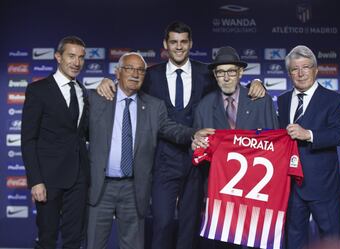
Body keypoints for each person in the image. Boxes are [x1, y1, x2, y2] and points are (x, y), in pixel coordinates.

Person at [96, 21, 265, 249]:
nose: (178, 47)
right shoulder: (151, 75)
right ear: (165, 44)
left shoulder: (206, 73)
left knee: (190, 226)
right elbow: (128, 87)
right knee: (162, 224)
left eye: (183, 42)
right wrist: (108, 82)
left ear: (190, 44)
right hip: (163, 161)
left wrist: (255, 83)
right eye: (173, 42)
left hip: (197, 162)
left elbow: (230, 82)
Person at [86, 52, 213, 249]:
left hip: (133, 189)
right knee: (94, 244)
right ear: (117, 72)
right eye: (129, 69)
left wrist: (194, 134)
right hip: (101, 187)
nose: (135, 74)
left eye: (140, 70)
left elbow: (172, 129)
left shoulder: (154, 107)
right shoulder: (96, 99)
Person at [191, 46, 279, 249]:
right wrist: (196, 146)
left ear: (240, 73)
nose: (227, 77)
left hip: (256, 192)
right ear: (215, 75)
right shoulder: (204, 106)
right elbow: (195, 151)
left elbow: (274, 145)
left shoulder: (260, 100)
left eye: (231, 71)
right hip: (221, 195)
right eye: (221, 72)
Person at [277, 45, 340, 249]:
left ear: (315, 70)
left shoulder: (334, 100)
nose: (300, 73)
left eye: (306, 67)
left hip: (323, 187)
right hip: (290, 186)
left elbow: (338, 135)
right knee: (294, 240)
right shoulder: (282, 100)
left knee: (331, 241)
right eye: (294, 69)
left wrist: (308, 134)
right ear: (289, 73)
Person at [21, 36, 89, 249]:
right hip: (48, 179)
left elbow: (83, 134)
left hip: (78, 178)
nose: (76, 62)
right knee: (47, 239)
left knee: (74, 239)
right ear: (58, 57)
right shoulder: (38, 90)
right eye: (71, 56)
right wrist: (35, 181)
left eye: (81, 57)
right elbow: (28, 139)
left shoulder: (83, 92)